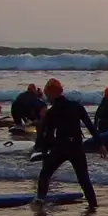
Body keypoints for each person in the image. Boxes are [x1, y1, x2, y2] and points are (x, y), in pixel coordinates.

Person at [35, 78, 98, 208]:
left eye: (47, 95)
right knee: (83, 179)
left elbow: (46, 134)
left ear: (52, 93)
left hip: (61, 147)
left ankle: (40, 201)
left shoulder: (51, 112)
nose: (47, 98)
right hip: (76, 146)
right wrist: (100, 144)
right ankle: (93, 205)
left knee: (45, 174)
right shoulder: (77, 106)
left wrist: (44, 152)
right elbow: (90, 126)